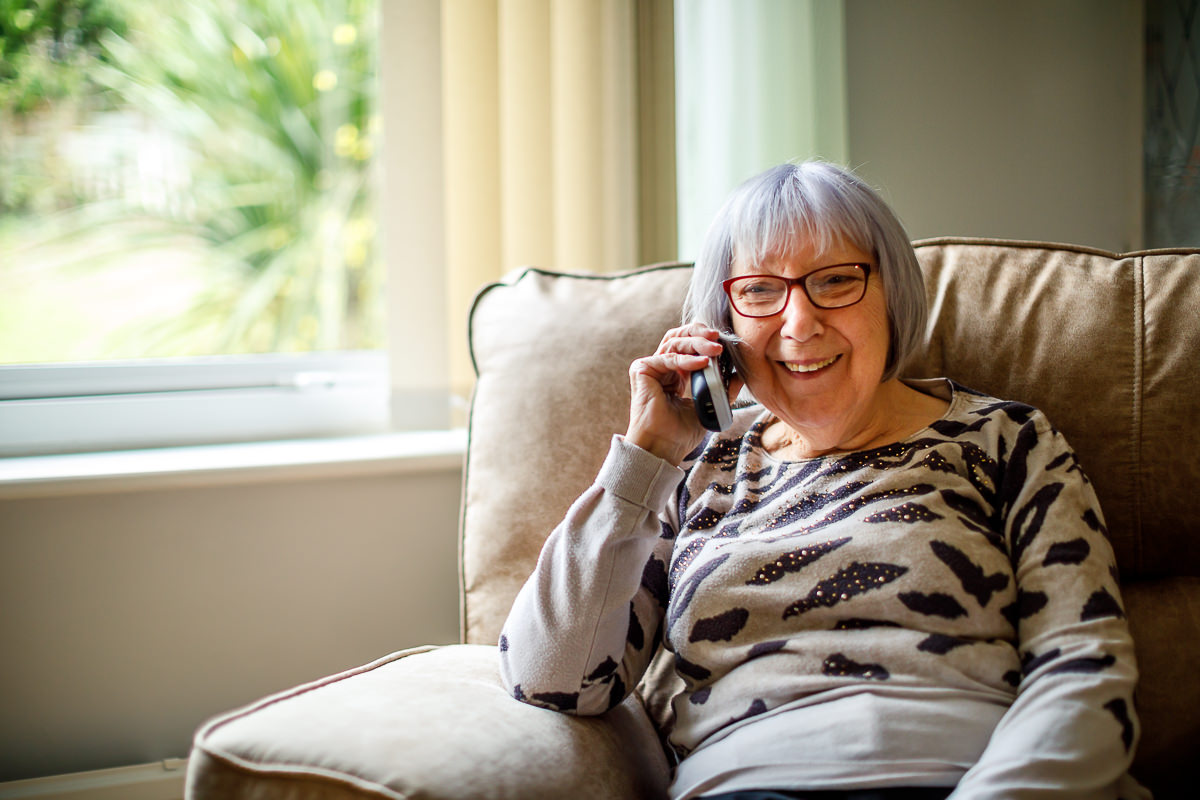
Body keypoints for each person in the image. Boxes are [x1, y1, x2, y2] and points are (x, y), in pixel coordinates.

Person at [498, 161, 1148, 800]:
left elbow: (1082, 669)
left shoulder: (1007, 441)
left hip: (964, 778)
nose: (800, 324)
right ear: (720, 327)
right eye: (759, 291)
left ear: (891, 292)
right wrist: (646, 456)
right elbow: (552, 678)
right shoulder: (695, 469)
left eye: (836, 281)